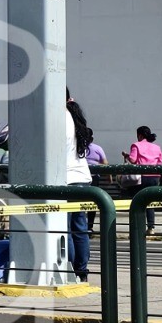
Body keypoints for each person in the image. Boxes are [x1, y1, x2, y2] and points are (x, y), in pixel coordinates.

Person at [66, 98, 95, 281]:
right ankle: (82, 271)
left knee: (65, 228)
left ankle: (69, 269)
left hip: (66, 179)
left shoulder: (58, 116)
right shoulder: (76, 118)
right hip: (83, 178)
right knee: (80, 227)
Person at [126, 125, 162, 235]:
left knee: (137, 201)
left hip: (141, 177)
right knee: (149, 202)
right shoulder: (157, 147)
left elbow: (133, 160)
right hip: (154, 177)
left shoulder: (136, 145)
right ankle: (151, 227)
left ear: (140, 135)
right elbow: (160, 163)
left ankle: (137, 227)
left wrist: (126, 156)